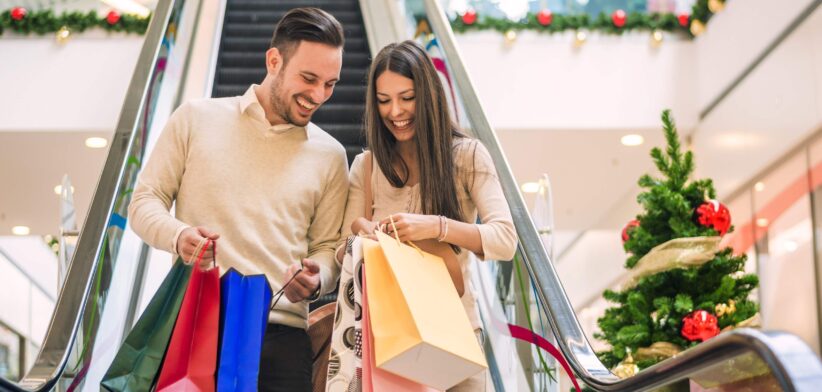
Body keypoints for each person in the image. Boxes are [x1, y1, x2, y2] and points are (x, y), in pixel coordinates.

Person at [128, 7, 348, 391]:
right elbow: (145, 200)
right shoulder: (195, 119)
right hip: (197, 327)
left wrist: (317, 280)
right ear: (274, 60)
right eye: (309, 78)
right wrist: (180, 237)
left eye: (330, 84)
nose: (318, 95)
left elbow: (328, 247)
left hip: (283, 337)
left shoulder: (330, 155)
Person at [337, 40, 517, 391]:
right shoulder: (367, 166)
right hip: (388, 339)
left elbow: (505, 240)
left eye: (407, 97)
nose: (395, 111)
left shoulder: (467, 157)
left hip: (456, 333)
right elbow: (341, 253)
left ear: (429, 95)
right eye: (384, 100)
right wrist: (365, 234)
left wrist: (435, 226)